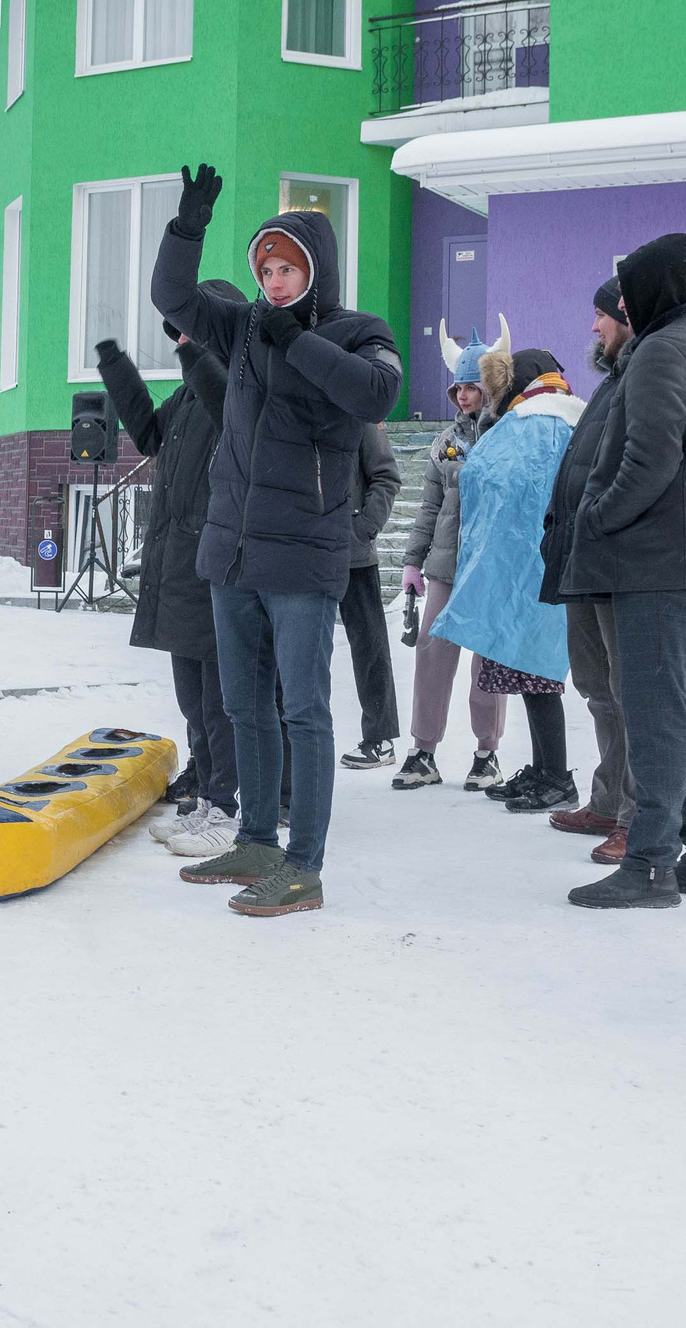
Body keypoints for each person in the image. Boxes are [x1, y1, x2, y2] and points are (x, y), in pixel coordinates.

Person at [151, 163, 404, 919]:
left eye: (286, 267)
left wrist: (299, 340)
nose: (273, 279)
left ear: (314, 269)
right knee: (242, 703)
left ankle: (304, 864)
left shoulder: (359, 332)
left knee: (303, 709)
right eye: (265, 268)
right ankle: (256, 836)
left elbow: (375, 393)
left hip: (303, 554)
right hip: (232, 551)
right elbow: (174, 299)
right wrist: (186, 230)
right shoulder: (245, 324)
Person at [557, 233, 686, 910]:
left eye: (631, 291)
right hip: (683, 555)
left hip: (659, 558)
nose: (624, 305)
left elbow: (650, 460)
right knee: (684, 709)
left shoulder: (662, 349)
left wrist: (597, 515)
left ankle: (653, 861)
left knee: (656, 713)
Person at [96, 288, 238, 856]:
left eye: (190, 331)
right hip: (179, 564)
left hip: (214, 567)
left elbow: (228, 412)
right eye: (178, 332)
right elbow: (147, 435)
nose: (181, 340)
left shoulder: (233, 389)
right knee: (193, 698)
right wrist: (115, 365)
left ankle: (227, 806)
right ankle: (206, 793)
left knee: (221, 699)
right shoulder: (187, 396)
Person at [435, 348, 584, 815]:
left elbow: (503, 480)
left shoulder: (535, 421)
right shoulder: (561, 416)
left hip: (531, 566)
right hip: (538, 562)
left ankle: (556, 776)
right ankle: (544, 769)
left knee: (536, 674)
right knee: (529, 674)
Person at [394, 323, 511, 791]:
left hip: (489, 568)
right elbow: (428, 507)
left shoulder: (507, 432)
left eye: (473, 386)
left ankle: (487, 754)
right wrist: (412, 561)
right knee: (432, 654)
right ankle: (423, 751)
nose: (464, 395)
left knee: (487, 663)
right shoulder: (445, 441)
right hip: (445, 566)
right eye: (458, 387)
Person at [543, 278, 634, 853]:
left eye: (602, 315)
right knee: (597, 688)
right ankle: (607, 801)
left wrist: (594, 519)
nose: (594, 326)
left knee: (628, 693)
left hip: (615, 559)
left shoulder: (642, 376)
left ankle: (633, 813)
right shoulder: (611, 381)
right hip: (583, 559)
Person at [337, 424, 404, 770]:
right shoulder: (300, 404)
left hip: (353, 555)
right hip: (306, 552)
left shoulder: (358, 416)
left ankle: (380, 738)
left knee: (370, 648)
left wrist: (363, 528)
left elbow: (386, 476)